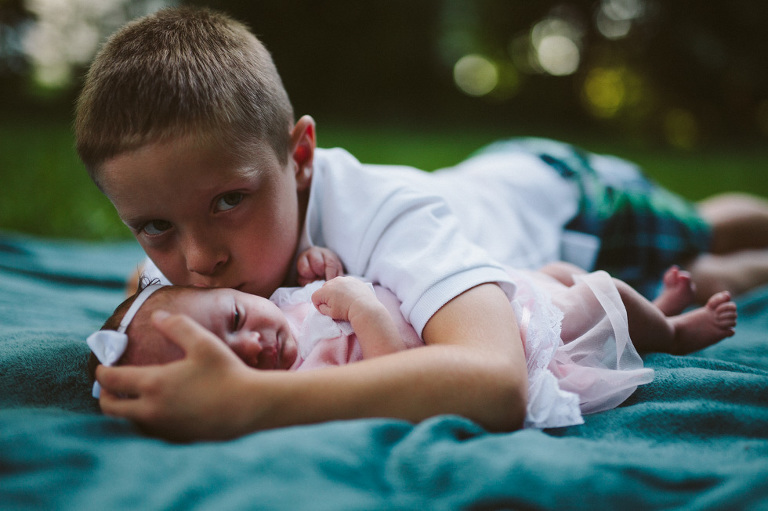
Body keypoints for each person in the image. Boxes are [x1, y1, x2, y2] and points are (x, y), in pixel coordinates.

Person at [74, 7, 761, 441]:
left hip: (568, 201)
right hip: (539, 253)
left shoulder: (386, 217)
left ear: (300, 155)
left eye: (228, 201)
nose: (198, 261)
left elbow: (494, 382)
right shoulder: (187, 265)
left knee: (702, 231)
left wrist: (254, 399)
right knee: (704, 279)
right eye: (156, 226)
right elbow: (146, 303)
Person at [87, 254, 737, 430]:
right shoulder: (302, 380)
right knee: (598, 295)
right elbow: (399, 367)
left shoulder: (281, 302)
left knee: (560, 271)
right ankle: (672, 328)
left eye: (235, 319)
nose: (253, 344)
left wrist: (320, 264)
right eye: (234, 358)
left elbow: (153, 281)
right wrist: (363, 306)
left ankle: (656, 309)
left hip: (478, 295)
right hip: (513, 335)